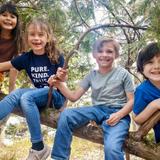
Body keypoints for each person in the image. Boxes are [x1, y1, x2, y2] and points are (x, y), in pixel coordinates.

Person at [48, 38, 134, 160]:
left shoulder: (123, 74)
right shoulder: (91, 75)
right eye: (100, 51)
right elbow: (74, 97)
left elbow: (132, 100)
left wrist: (119, 115)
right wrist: (59, 84)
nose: (104, 54)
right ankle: (59, 157)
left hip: (118, 113)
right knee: (66, 115)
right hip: (97, 110)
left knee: (112, 148)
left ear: (116, 55)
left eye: (109, 51)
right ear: (94, 54)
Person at [0, 18, 66, 160]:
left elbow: (63, 81)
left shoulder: (56, 56)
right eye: (32, 34)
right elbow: (4, 66)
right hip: (38, 95)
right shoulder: (26, 58)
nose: (36, 38)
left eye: (41, 35)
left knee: (26, 97)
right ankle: (39, 148)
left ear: (48, 37)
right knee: (15, 94)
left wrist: (57, 79)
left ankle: (38, 146)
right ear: (27, 37)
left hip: (54, 96)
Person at [133, 42, 160, 143]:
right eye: (150, 62)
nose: (157, 66)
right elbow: (137, 119)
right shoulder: (142, 91)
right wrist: (153, 105)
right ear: (141, 69)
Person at [0, 2, 23, 92]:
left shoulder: (18, 41)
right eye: (4, 15)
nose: (8, 19)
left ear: (17, 21)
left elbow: (15, 66)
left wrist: (11, 91)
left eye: (12, 17)